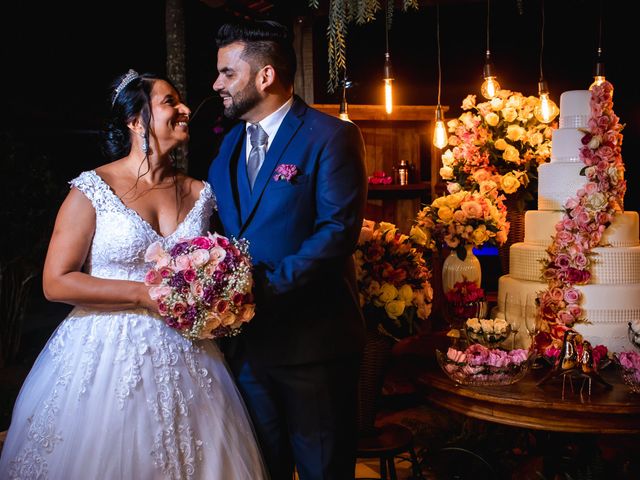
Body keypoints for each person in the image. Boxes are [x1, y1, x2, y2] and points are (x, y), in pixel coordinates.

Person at [0, 70, 268, 480]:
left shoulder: (201, 193)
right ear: (136, 121)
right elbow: (56, 282)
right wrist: (146, 294)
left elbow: (213, 267)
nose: (184, 110)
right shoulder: (94, 188)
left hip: (190, 358)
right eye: (169, 102)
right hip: (103, 354)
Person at [208, 20, 368, 480]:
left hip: (313, 345)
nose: (217, 84)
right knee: (261, 468)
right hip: (247, 349)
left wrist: (258, 289)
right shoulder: (230, 143)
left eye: (227, 73)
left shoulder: (330, 136)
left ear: (265, 76)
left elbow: (336, 231)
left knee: (323, 470)